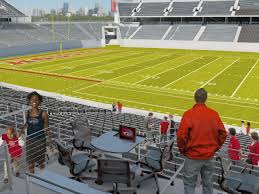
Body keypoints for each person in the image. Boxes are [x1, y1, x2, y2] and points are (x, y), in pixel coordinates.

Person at [177, 88, 227, 194]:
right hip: (208, 156)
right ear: (206, 99)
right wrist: (215, 147)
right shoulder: (214, 114)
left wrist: (183, 150)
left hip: (192, 156)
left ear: (195, 98)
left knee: (190, 184)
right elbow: (223, 133)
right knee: (208, 183)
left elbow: (181, 136)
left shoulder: (189, 114)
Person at [21, 91, 52, 174]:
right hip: (30, 140)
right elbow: (27, 123)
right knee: (30, 161)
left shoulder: (43, 114)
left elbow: (47, 128)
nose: (34, 101)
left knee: (41, 161)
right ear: (29, 101)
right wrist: (20, 131)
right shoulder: (28, 112)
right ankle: (31, 176)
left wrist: (50, 141)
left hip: (40, 140)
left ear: (40, 102)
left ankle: (42, 173)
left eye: (36, 99)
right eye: (32, 99)